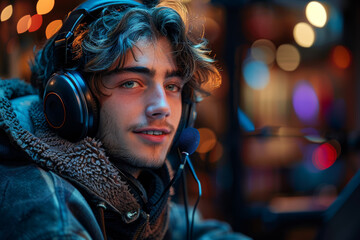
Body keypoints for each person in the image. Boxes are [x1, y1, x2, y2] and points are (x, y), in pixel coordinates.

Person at [0, 0, 250, 239]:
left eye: (172, 86)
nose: (162, 107)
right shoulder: (51, 219)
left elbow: (180, 228)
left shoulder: (124, 188)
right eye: (131, 83)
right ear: (71, 102)